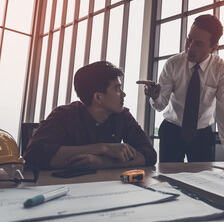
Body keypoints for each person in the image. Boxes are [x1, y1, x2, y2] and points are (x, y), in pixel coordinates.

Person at [137, 14, 224, 166]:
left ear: (213, 48)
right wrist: (155, 96)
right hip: (171, 131)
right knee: (167, 181)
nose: (190, 47)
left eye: (199, 44)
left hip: (202, 135)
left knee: (203, 181)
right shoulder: (173, 64)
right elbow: (160, 106)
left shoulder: (222, 69)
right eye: (189, 39)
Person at [24, 61, 157, 170]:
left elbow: (149, 154)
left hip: (103, 189)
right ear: (98, 97)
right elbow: (33, 154)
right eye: (117, 88)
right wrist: (102, 148)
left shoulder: (122, 116)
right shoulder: (64, 114)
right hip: (60, 188)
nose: (123, 94)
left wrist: (103, 162)